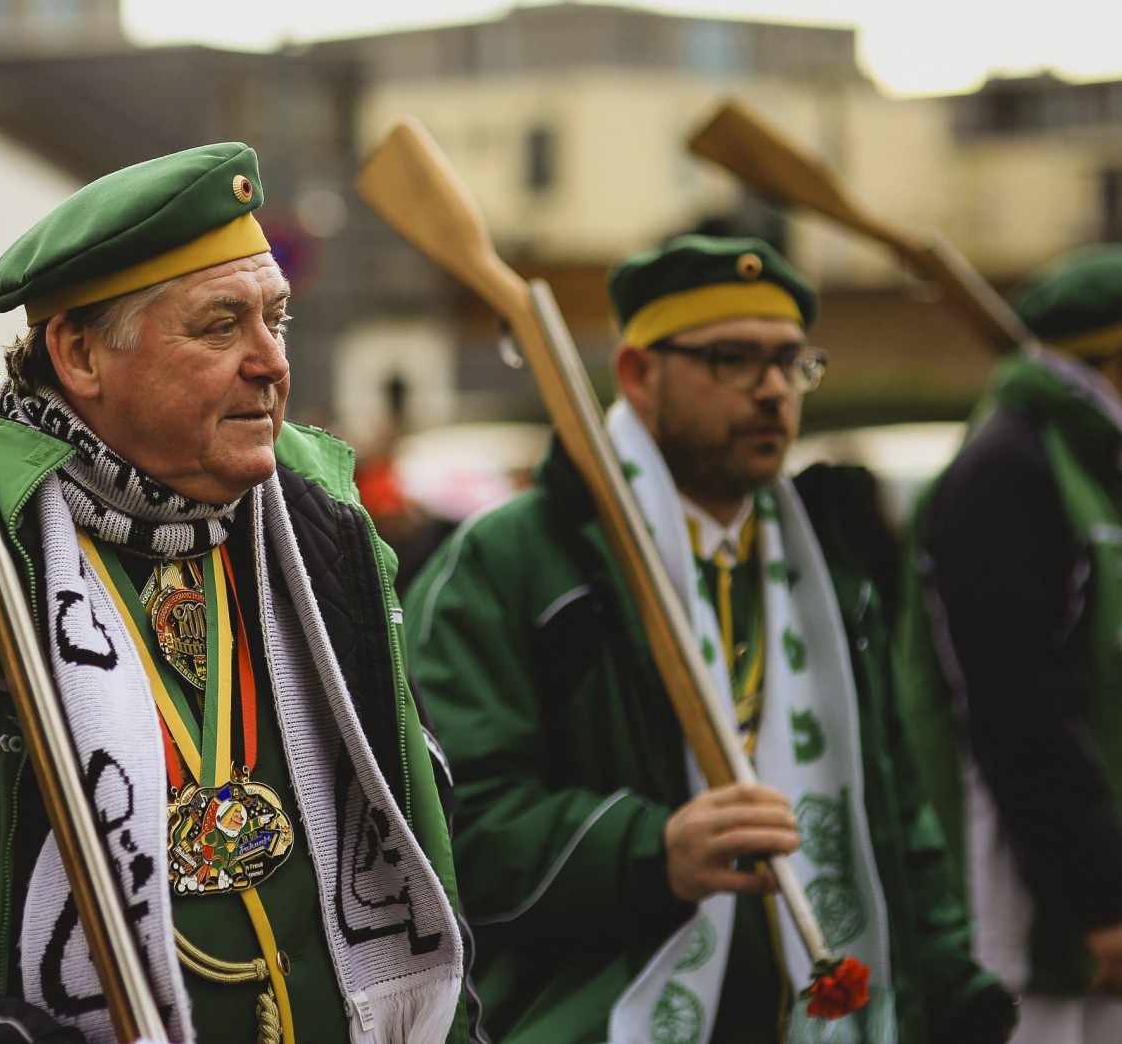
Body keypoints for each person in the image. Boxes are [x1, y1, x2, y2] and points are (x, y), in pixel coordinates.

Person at [0, 143, 473, 1043]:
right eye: (221, 326)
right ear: (78, 353)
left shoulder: (323, 528)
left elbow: (430, 848)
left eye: (277, 318)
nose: (271, 362)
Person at [406, 236, 1015, 1043]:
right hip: (597, 1015)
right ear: (637, 373)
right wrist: (649, 848)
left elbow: (896, 816)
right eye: (732, 359)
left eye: (793, 362)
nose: (773, 391)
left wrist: (952, 995)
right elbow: (445, 823)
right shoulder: (515, 559)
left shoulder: (829, 564)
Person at [899, 246, 1122, 1043]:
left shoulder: (1092, 462)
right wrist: (1098, 898)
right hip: (1033, 916)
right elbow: (1018, 708)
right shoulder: (1008, 472)